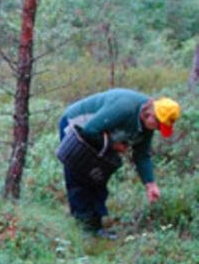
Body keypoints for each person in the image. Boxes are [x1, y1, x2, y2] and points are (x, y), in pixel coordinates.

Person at [57, 88, 180, 239]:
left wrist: (150, 184)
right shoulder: (125, 108)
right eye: (159, 125)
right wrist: (113, 145)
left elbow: (142, 156)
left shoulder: (147, 125)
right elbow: (90, 130)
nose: (159, 130)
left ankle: (95, 228)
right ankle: (84, 229)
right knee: (79, 177)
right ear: (150, 115)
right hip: (75, 126)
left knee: (98, 177)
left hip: (98, 135)